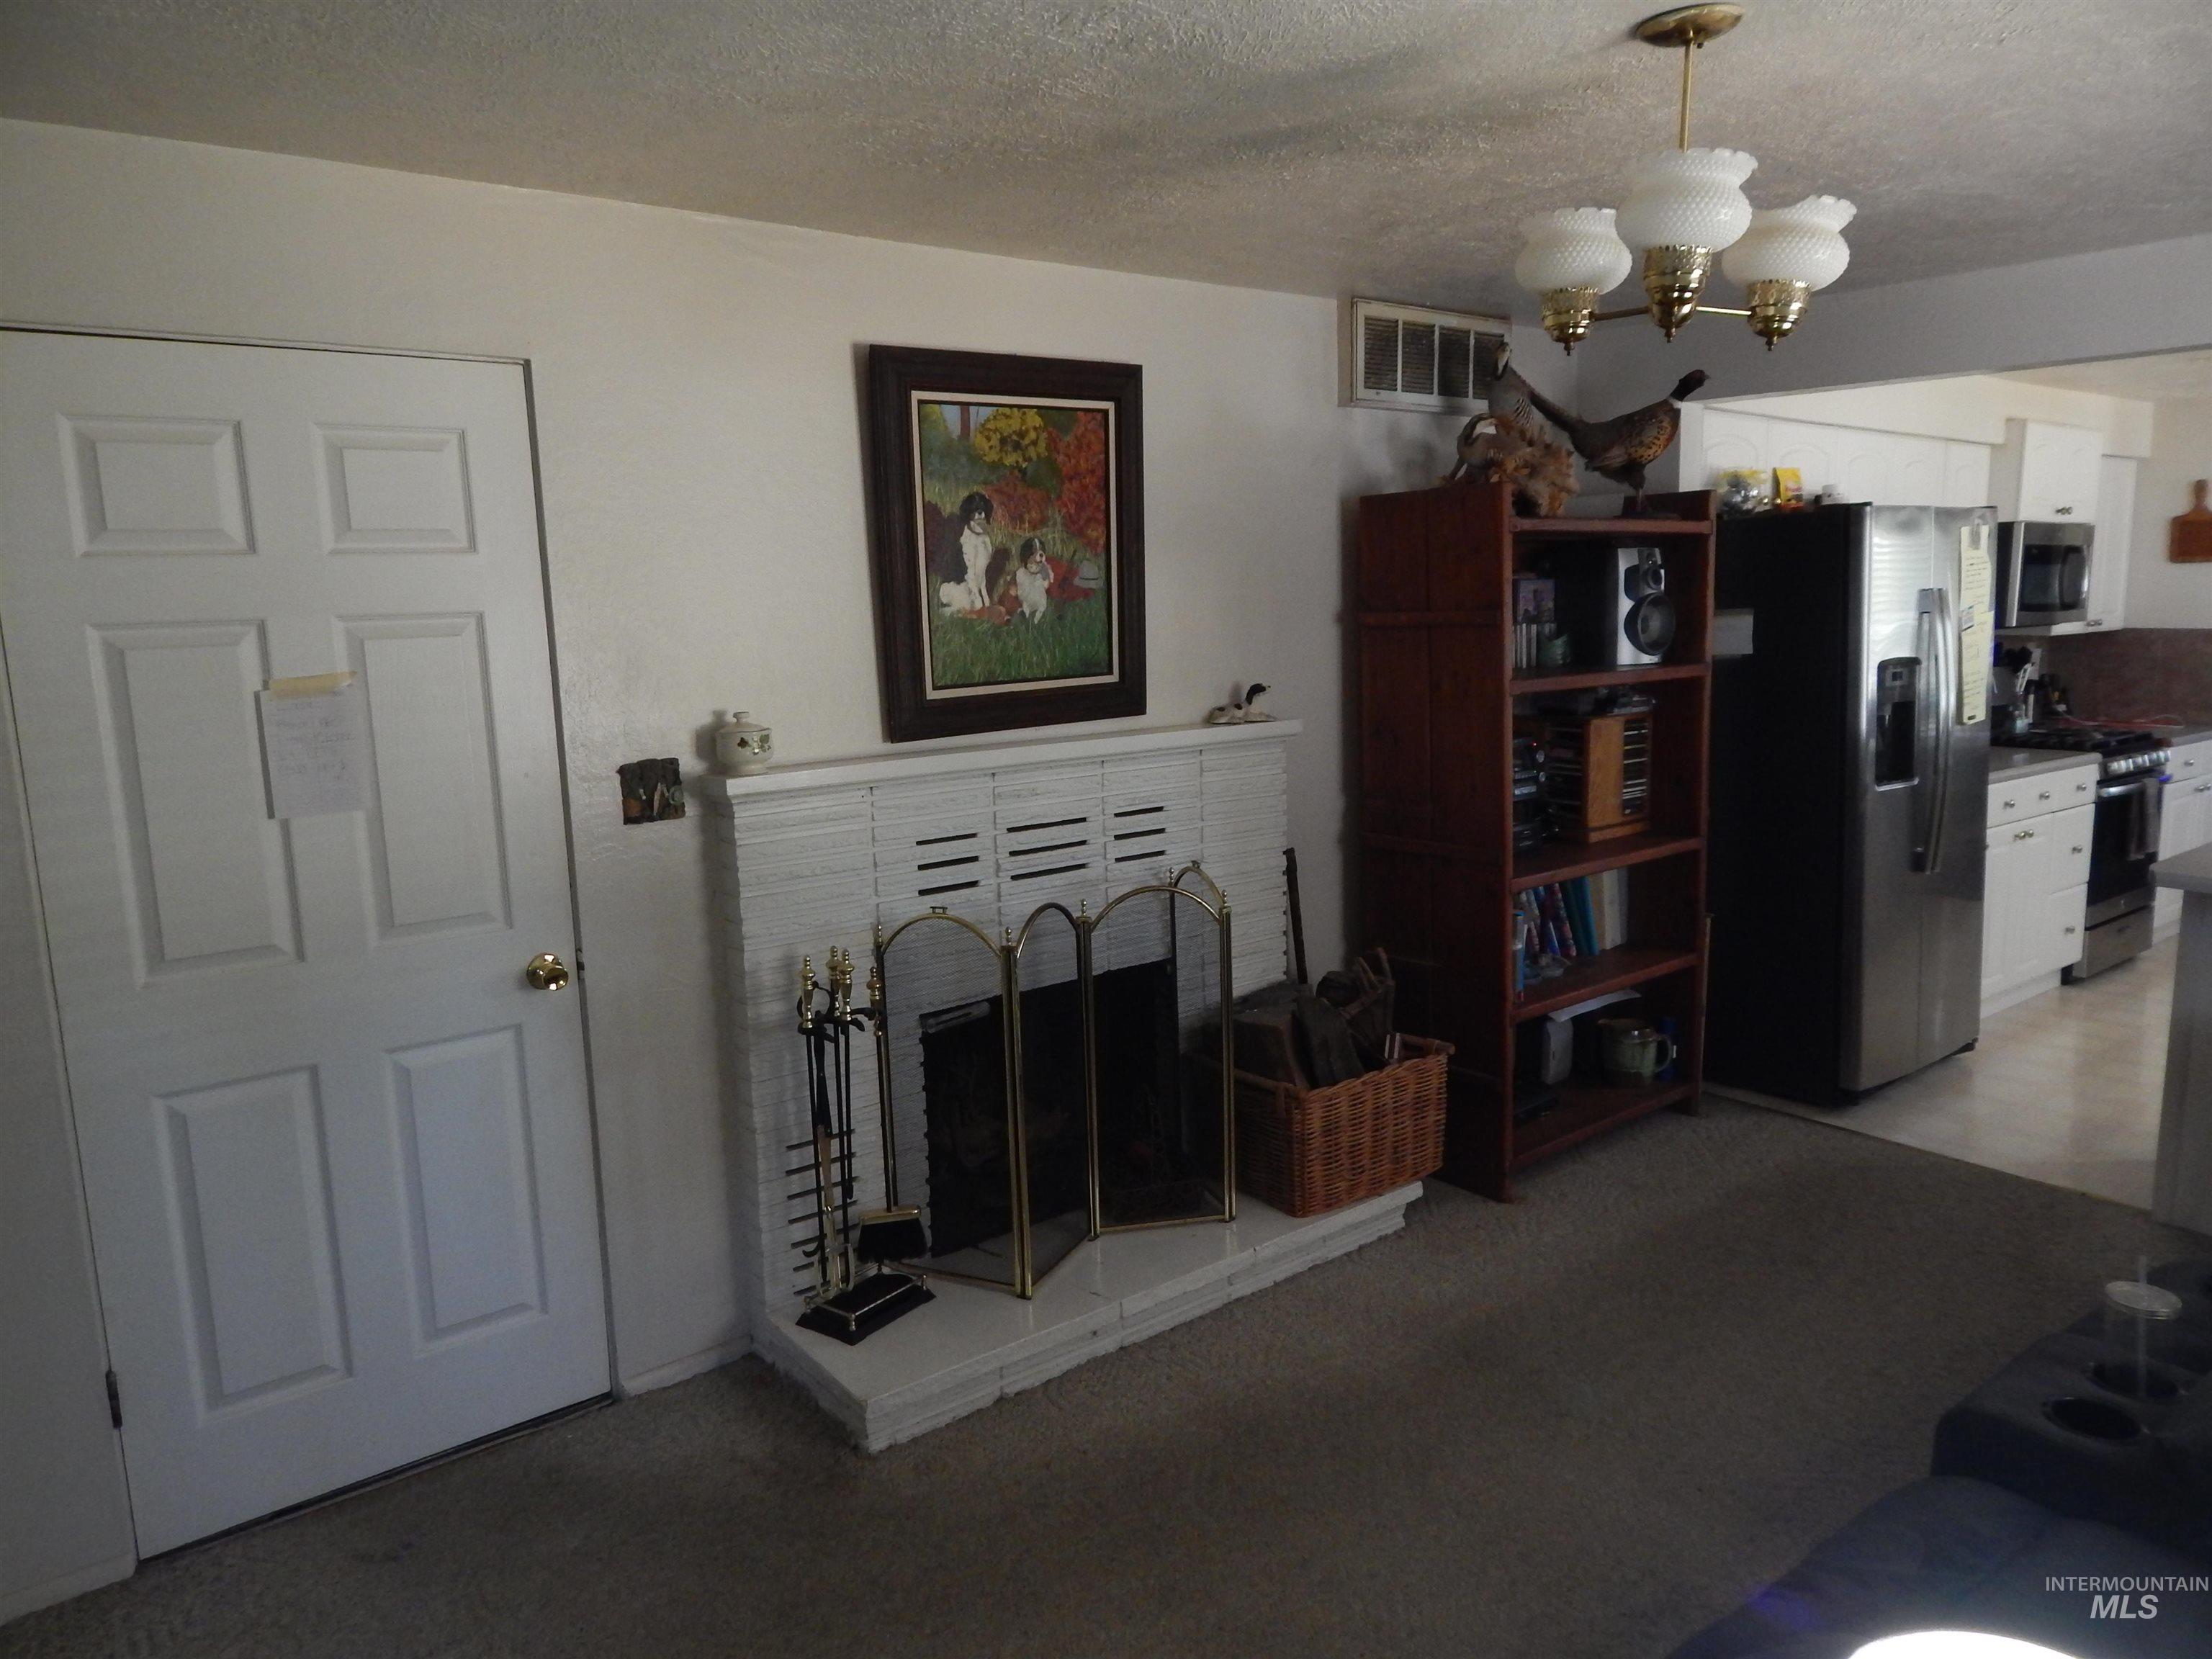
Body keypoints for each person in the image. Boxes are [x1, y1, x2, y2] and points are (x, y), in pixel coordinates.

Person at [955, 491, 995, 611]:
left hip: (977, 586)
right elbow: (970, 574)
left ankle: (984, 601)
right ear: (968, 513)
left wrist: (986, 600)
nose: (979, 512)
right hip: (961, 585)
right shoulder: (967, 541)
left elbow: (982, 573)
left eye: (982, 509)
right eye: (975, 509)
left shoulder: (986, 539)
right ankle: (978, 604)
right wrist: (979, 603)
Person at [1014, 537, 1051, 624]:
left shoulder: (1043, 574)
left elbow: (1046, 585)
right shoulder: (1019, 575)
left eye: (1041, 550)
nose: (1040, 553)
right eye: (1035, 550)